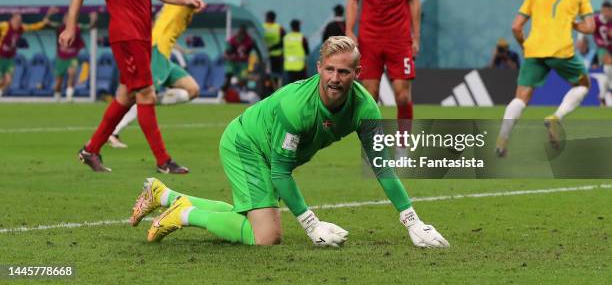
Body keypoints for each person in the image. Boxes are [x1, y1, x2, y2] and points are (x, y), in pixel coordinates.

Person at [129, 36, 449, 248]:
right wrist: (312, 226)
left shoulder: (365, 109)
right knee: (266, 236)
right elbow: (281, 173)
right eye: (330, 70)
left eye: (344, 72)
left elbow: (382, 165)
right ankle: (183, 215)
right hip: (246, 145)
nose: (336, 79)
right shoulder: (298, 107)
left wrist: (412, 222)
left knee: (251, 217)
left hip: (269, 151)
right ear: (319, 68)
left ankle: (167, 195)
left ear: (358, 72)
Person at [59, 0, 205, 173]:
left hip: (142, 35)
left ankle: (91, 150)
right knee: (147, 93)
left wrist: (186, 0)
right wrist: (70, 27)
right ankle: (163, 161)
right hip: (125, 35)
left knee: (126, 95)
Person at [108, 0, 246, 148]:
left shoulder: (183, 2)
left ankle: (152, 99)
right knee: (142, 95)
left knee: (192, 90)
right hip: (156, 51)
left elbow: (168, 25)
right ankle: (113, 132)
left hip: (163, 52)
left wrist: (181, 47)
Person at [495, 0, 595, 157]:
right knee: (583, 84)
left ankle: (502, 140)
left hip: (534, 50)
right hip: (561, 49)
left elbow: (516, 27)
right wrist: (573, 23)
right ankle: (556, 117)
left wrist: (525, 45)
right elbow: (590, 27)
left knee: (521, 97)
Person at [49, 7, 98, 102]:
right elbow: (46, 23)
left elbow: (91, 26)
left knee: (72, 73)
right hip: (61, 57)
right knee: (58, 81)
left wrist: (93, 19)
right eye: (65, 18)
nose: (67, 20)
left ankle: (69, 96)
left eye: (69, 18)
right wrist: (49, 14)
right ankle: (57, 96)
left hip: (72, 57)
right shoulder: (59, 27)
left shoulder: (77, 28)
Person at [0, 11, 52, 96]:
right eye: (16, 20)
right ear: (12, 20)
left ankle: (0, 93)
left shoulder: (22, 28)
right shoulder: (5, 26)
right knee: (2, 80)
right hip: (1, 56)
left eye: (20, 20)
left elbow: (33, 27)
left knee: (8, 80)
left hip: (10, 58)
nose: (18, 22)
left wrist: (43, 23)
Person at [592, 1, 612, 106]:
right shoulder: (596, 20)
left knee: (607, 72)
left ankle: (602, 96)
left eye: (608, 11)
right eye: (604, 11)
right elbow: (587, 27)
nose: (606, 14)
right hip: (602, 47)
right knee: (608, 62)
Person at [262, 10, 285, 88]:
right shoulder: (279, 28)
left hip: (264, 55)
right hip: (277, 55)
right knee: (277, 75)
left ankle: (267, 90)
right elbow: (283, 42)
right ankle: (277, 89)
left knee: (266, 75)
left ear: (267, 17)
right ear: (274, 18)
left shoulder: (262, 27)